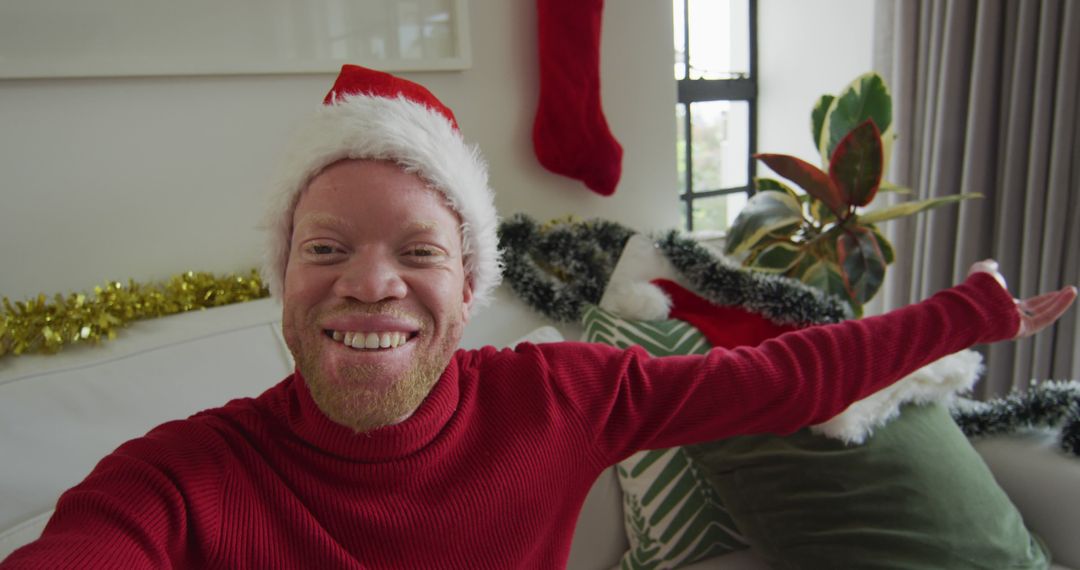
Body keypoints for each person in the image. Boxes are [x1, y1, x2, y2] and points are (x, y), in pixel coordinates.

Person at [2, 65, 1075, 569]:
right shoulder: (192, 479)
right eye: (324, 249)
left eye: (417, 251)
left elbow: (780, 380)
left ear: (471, 290)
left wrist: (958, 314)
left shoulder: (564, 394)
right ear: (283, 279)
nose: (369, 283)